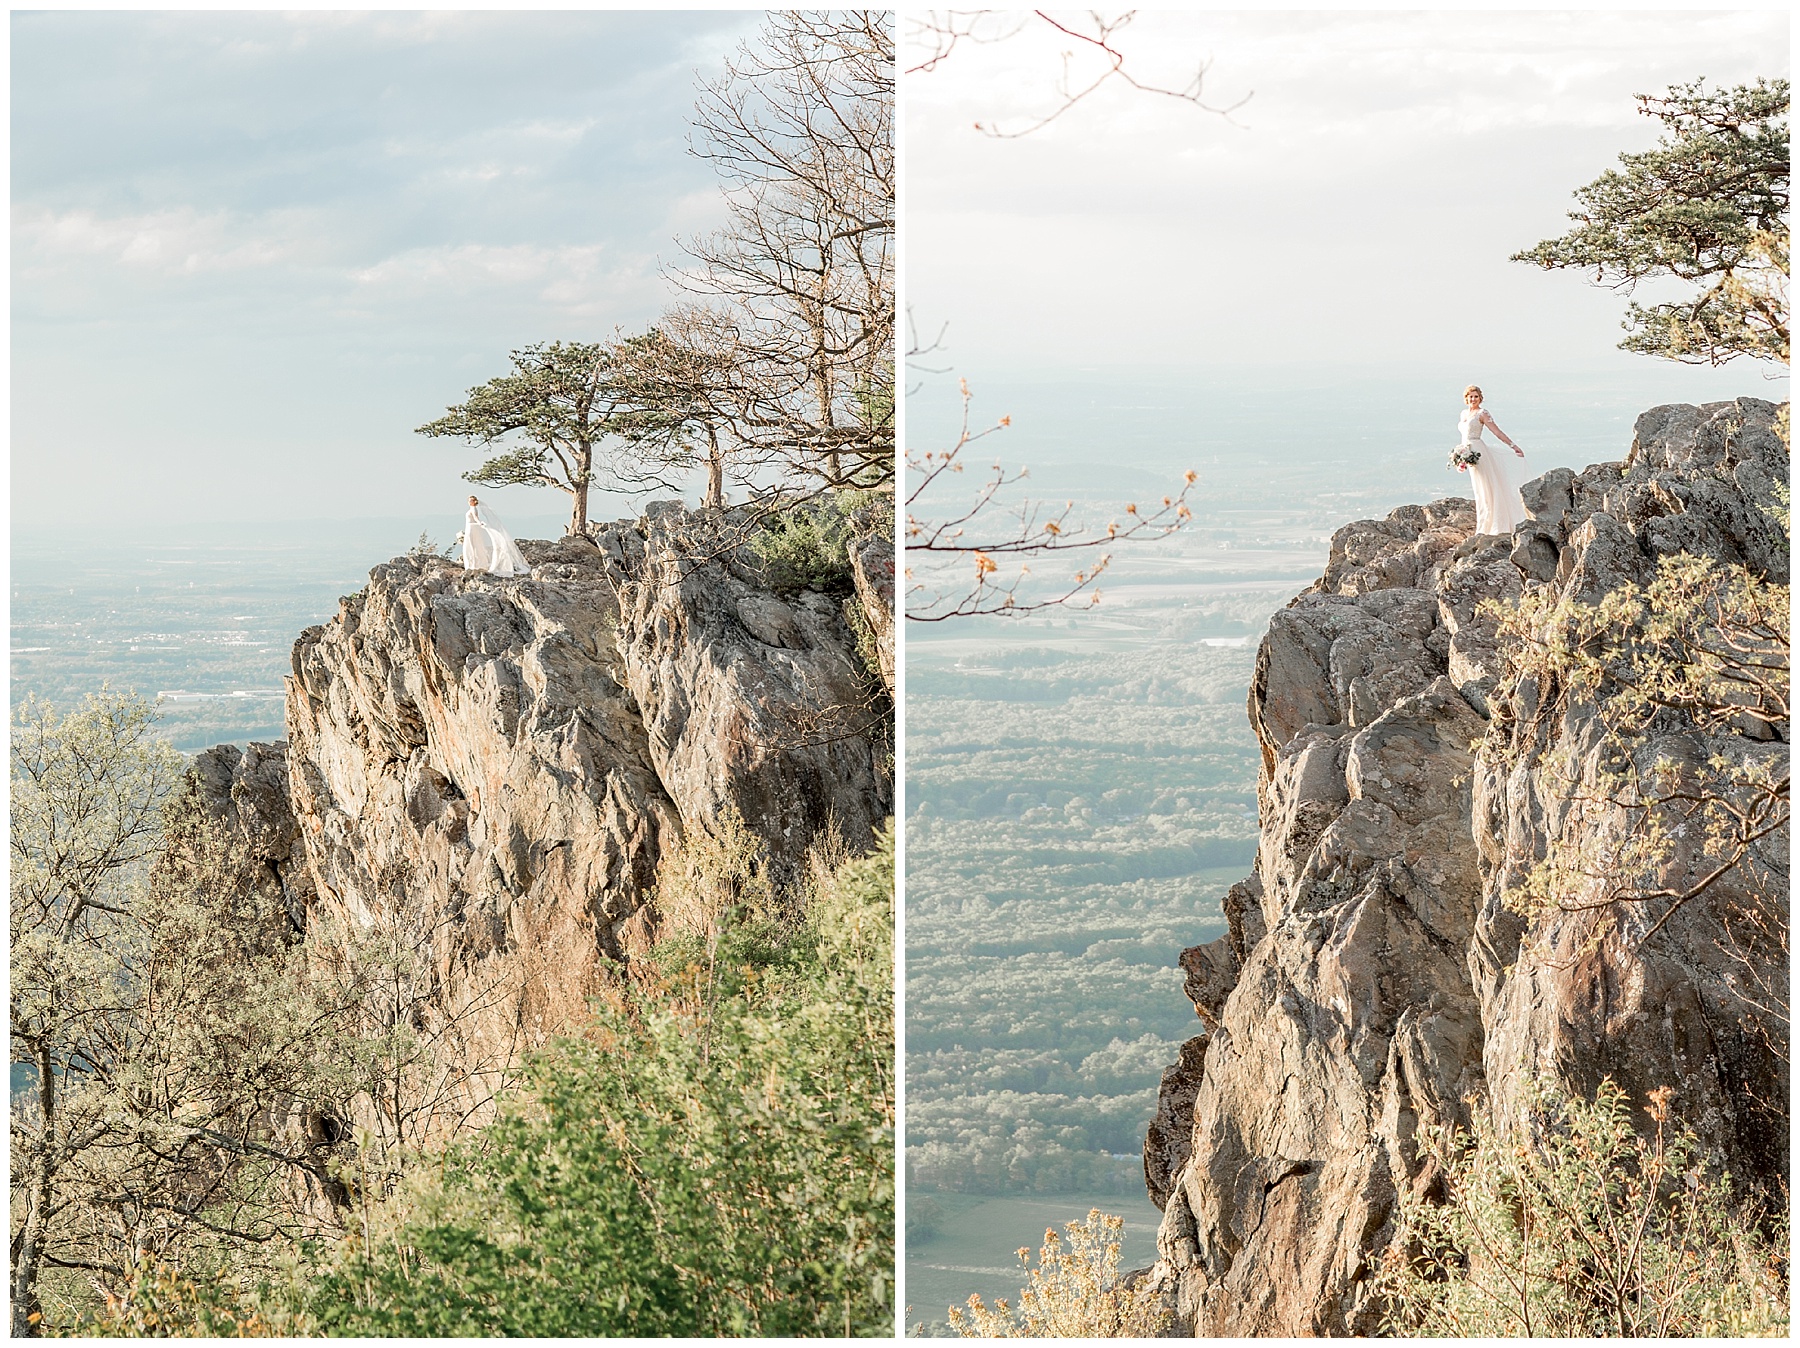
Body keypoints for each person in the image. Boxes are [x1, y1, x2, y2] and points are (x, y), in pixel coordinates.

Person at [1456, 385, 1527, 535]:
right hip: (1467, 452)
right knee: (1478, 489)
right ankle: (1482, 523)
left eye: (1476, 396)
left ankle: (1492, 525)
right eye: (1470, 396)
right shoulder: (1464, 414)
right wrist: (1460, 456)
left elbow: (1496, 431)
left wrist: (1513, 446)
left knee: (1486, 487)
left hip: (1478, 453)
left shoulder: (1482, 413)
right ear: (1466, 399)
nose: (1473, 399)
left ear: (1480, 398)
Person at [460, 495, 530, 576]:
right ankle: (473, 564)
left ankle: (473, 565)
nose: (469, 502)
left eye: (471, 500)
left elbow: (476, 518)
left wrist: (479, 523)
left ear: (473, 501)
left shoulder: (473, 509)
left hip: (472, 528)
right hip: (470, 527)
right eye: (469, 500)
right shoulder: (472, 509)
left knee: (472, 545)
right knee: (472, 545)